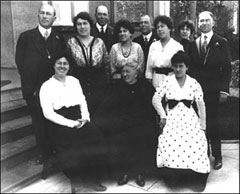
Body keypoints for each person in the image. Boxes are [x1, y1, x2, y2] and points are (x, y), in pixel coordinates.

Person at [39, 51, 107, 192]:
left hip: (79, 117)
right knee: (71, 144)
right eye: (59, 63)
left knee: (96, 138)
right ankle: (75, 179)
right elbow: (48, 113)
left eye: (65, 64)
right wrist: (71, 123)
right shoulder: (46, 86)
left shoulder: (74, 81)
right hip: (60, 121)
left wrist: (85, 118)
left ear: (69, 66)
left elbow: (82, 101)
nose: (62, 66)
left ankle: (93, 178)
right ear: (53, 65)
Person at [15, 4, 66, 164]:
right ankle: (43, 153)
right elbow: (20, 63)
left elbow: (62, 62)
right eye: (42, 13)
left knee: (55, 119)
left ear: (54, 18)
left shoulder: (58, 38)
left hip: (54, 88)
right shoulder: (26, 37)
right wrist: (31, 87)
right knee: (38, 122)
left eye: (48, 14)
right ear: (38, 16)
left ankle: (56, 151)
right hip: (34, 90)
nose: (45, 16)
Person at [92, 62, 158, 187]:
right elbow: (106, 105)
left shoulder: (145, 87)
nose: (124, 74)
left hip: (141, 121)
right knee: (120, 137)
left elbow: (152, 107)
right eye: (123, 72)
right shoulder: (117, 87)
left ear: (136, 73)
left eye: (128, 72)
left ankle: (140, 173)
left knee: (144, 135)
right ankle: (124, 172)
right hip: (122, 121)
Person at [152, 51, 210, 192]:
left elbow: (201, 104)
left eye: (181, 66)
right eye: (175, 66)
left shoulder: (193, 82)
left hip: (189, 116)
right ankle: (175, 176)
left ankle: (196, 177)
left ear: (187, 67)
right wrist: (163, 116)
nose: (178, 69)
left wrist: (202, 125)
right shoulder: (167, 81)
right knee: (170, 139)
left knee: (196, 139)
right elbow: (155, 99)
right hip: (172, 116)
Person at [188, 11, 232, 170]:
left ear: (213, 23)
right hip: (198, 92)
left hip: (214, 91)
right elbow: (191, 69)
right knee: (200, 123)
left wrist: (224, 90)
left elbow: (227, 68)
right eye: (201, 21)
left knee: (214, 123)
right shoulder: (194, 44)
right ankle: (203, 153)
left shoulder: (221, 42)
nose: (204, 23)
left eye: (207, 20)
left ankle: (218, 156)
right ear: (198, 24)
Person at [67, 11, 110, 114]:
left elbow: (107, 64)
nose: (82, 27)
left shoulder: (99, 42)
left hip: (98, 84)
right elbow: (67, 65)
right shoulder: (71, 42)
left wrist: (107, 84)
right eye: (79, 24)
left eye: (85, 23)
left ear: (90, 25)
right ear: (76, 27)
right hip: (79, 83)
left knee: (98, 113)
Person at [145, 15, 183, 88]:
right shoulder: (153, 46)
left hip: (171, 82)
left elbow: (181, 68)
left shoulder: (177, 46)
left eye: (162, 26)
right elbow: (148, 67)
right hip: (155, 82)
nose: (160, 29)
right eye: (158, 27)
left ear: (169, 28)